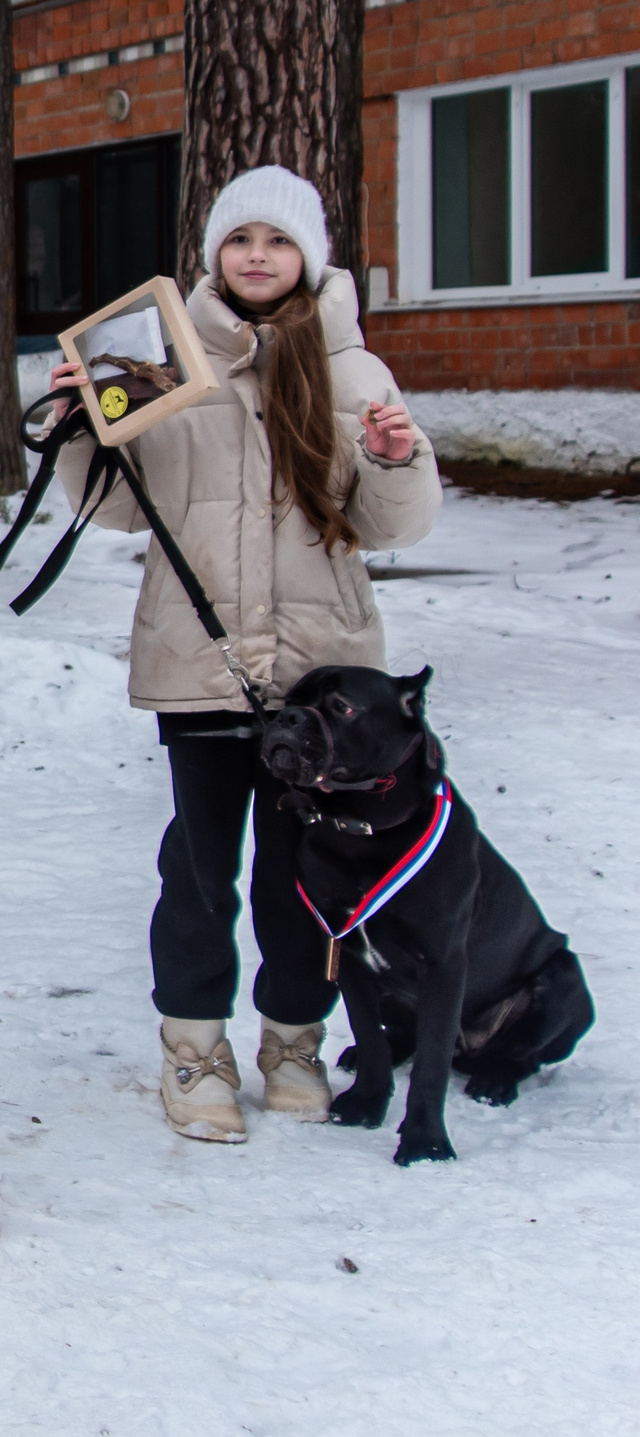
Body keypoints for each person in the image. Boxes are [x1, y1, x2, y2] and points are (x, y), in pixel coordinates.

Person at [47, 166, 438, 1144]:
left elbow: (386, 527)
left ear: (309, 255)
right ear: (213, 253)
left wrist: (393, 460)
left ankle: (293, 1038)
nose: (256, 255)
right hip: (201, 658)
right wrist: (78, 429)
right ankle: (194, 1047)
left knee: (298, 874)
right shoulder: (153, 352)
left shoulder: (354, 373)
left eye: (276, 239)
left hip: (322, 678)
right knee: (200, 869)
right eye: (238, 239)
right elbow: (116, 506)